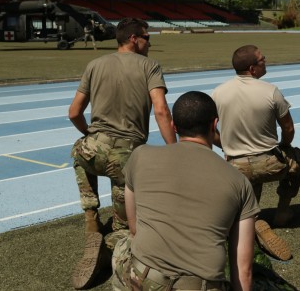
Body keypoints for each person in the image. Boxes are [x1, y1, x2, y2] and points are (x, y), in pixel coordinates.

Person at [112, 91, 259, 291]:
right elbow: (243, 272)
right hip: (200, 286)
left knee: (123, 244)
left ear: (174, 126)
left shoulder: (140, 155)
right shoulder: (240, 182)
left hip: (145, 277)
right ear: (214, 124)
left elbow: (134, 228)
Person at [68, 17, 176, 289]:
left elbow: (73, 113)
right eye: (147, 37)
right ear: (133, 39)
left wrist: (89, 135)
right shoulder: (150, 66)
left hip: (93, 149)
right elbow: (161, 110)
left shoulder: (95, 64)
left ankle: (91, 216)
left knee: (78, 155)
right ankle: (112, 242)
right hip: (126, 157)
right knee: (124, 217)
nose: (150, 42)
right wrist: (175, 150)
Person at [212, 44, 300, 261]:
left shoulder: (218, 93)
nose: (266, 62)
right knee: (297, 160)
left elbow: (209, 130)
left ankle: (250, 220)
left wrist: (226, 147)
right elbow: (289, 128)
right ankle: (282, 211)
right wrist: (284, 147)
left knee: (247, 182)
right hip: (271, 164)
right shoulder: (270, 90)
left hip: (236, 167)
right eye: (262, 60)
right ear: (252, 69)